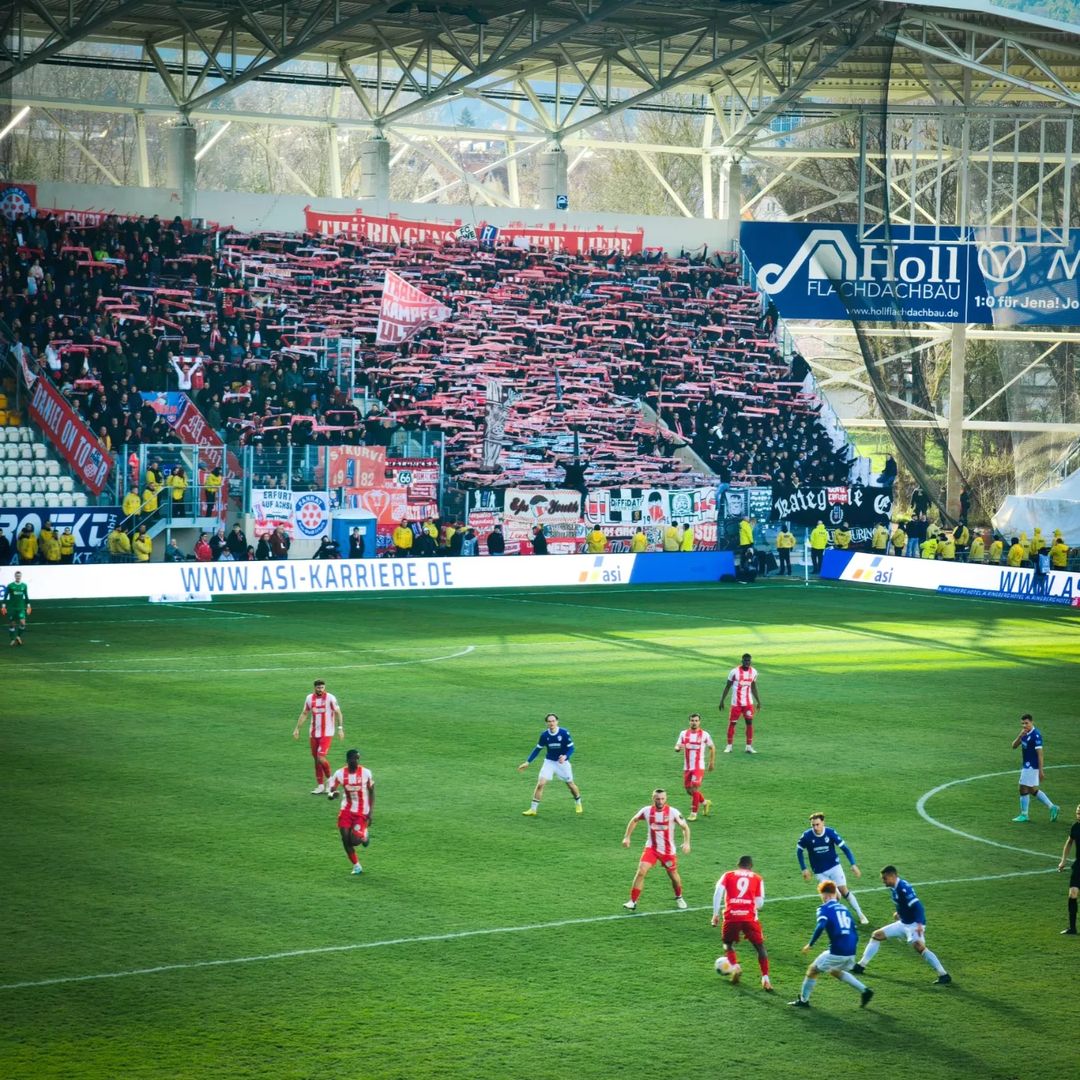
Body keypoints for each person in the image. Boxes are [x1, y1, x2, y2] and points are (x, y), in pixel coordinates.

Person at [852, 866, 951, 985]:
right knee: (876, 935)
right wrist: (899, 914)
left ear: (893, 876)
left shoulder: (903, 888)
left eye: (885, 878)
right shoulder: (895, 887)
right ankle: (861, 966)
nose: (883, 881)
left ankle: (944, 975)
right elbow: (904, 904)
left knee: (919, 947)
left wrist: (919, 924)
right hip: (904, 923)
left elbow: (918, 907)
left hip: (914, 924)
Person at [789, 881, 873, 1009]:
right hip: (851, 951)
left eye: (821, 895)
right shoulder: (845, 909)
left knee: (812, 970)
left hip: (837, 951)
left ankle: (803, 1001)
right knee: (834, 970)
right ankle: (865, 991)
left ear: (826, 895)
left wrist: (810, 944)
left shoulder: (824, 908)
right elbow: (854, 931)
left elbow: (821, 925)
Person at [621, 788, 690, 912]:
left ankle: (679, 897)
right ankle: (633, 901)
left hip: (668, 852)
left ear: (666, 799)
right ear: (653, 798)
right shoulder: (646, 811)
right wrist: (627, 837)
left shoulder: (673, 812)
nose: (660, 801)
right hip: (651, 849)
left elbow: (685, 828)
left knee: (673, 876)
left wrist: (686, 843)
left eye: (663, 798)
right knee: (641, 871)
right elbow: (634, 820)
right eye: (658, 799)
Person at [712, 855, 772, 991]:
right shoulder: (757, 878)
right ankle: (766, 979)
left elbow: (718, 892)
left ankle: (735, 966)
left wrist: (715, 915)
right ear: (751, 866)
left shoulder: (728, 875)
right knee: (760, 948)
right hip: (749, 918)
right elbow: (760, 903)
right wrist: (748, 907)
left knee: (727, 944)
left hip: (731, 916)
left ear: (738, 865)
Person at [795, 812, 868, 924]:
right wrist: (803, 868)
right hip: (820, 872)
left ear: (823, 823)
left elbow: (845, 849)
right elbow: (799, 850)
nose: (815, 827)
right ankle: (833, 918)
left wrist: (853, 864)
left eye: (817, 824)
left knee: (843, 891)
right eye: (813, 825)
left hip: (834, 867)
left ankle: (860, 914)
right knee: (832, 895)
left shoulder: (830, 833)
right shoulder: (807, 836)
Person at [518, 713, 582, 815]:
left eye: (553, 721)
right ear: (546, 723)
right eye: (549, 721)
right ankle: (533, 809)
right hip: (549, 762)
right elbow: (538, 749)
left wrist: (565, 756)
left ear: (557, 722)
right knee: (541, 784)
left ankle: (578, 802)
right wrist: (528, 762)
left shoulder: (564, 733)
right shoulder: (544, 735)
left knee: (570, 785)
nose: (551, 723)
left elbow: (571, 748)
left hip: (563, 763)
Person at [327, 748, 374, 876]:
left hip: (361, 811)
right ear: (348, 760)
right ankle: (356, 866)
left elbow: (372, 791)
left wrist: (370, 812)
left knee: (353, 840)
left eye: (358, 758)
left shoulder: (366, 773)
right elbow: (331, 792)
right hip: (346, 809)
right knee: (345, 839)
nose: (357, 761)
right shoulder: (340, 774)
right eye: (354, 758)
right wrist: (332, 795)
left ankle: (364, 835)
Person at [293, 679, 344, 794]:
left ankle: (330, 779)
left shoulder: (330, 698)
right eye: (318, 688)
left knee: (321, 757)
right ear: (314, 688)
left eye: (322, 687)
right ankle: (320, 785)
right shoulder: (309, 698)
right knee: (316, 759)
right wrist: (297, 728)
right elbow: (305, 713)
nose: (320, 689)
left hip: (327, 733)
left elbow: (338, 713)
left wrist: (340, 729)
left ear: (324, 687)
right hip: (313, 733)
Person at [1011, 714, 1059, 823]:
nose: (1024, 725)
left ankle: (1024, 815)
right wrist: (1020, 736)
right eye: (1022, 723)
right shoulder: (1024, 733)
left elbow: (1040, 754)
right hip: (1026, 766)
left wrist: (1041, 770)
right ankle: (1052, 807)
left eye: (1026, 723)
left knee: (1022, 788)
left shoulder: (1036, 735)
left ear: (1032, 722)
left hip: (1032, 767)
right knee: (1031, 789)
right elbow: (1013, 746)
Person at [674, 712, 715, 821]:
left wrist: (711, 762)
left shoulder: (704, 734)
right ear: (689, 721)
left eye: (696, 720)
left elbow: (712, 747)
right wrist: (677, 748)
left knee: (694, 788)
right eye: (692, 720)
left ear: (699, 722)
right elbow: (677, 745)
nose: (694, 722)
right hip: (687, 767)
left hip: (698, 766)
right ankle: (705, 802)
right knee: (689, 790)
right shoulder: (683, 733)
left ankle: (693, 813)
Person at [718, 652, 761, 754]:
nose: (747, 662)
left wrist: (758, 701)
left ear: (750, 661)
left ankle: (749, 746)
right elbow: (727, 686)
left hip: (748, 703)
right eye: (745, 660)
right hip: (736, 703)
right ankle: (729, 746)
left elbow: (754, 686)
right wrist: (722, 700)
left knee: (749, 723)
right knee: (732, 723)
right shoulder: (734, 672)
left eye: (749, 660)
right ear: (742, 661)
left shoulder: (754, 672)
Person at [1057, 804, 1080, 934]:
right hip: (1078, 866)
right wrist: (1063, 860)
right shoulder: (1076, 827)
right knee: (1072, 894)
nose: (1078, 814)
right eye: (1077, 812)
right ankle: (1072, 928)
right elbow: (1069, 842)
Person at [2, 571, 31, 647]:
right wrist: (3, 606)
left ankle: (18, 636)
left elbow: (26, 596)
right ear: (15, 576)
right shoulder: (10, 586)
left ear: (21, 576)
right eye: (17, 576)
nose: (18, 577)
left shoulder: (24, 585)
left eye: (19, 576)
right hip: (12, 608)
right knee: (12, 625)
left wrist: (28, 606)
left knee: (23, 623)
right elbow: (5, 596)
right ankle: (12, 639)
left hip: (21, 608)